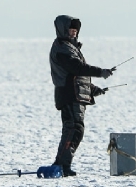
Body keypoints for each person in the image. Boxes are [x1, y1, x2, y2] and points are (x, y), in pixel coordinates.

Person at [49, 15, 115, 177]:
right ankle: (62, 165)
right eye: (70, 30)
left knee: (75, 130)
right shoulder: (62, 48)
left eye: (75, 30)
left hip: (76, 96)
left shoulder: (72, 48)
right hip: (69, 96)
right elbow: (77, 68)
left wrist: (93, 90)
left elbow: (77, 77)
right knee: (73, 130)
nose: (73, 33)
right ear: (63, 30)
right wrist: (100, 72)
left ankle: (63, 165)